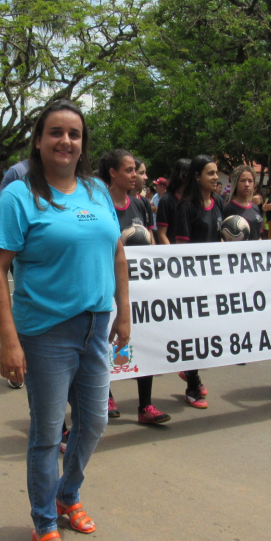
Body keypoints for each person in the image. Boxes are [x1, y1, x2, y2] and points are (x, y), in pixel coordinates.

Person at [0, 99, 128, 541]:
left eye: (75, 133)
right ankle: (44, 523)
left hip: (96, 326)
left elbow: (117, 253)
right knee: (47, 433)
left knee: (95, 422)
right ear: (39, 139)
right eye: (56, 132)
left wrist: (123, 313)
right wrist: (9, 340)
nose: (66, 141)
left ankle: (69, 495)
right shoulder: (19, 196)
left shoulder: (95, 190)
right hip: (46, 332)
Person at [97, 149, 170, 425]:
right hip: (108, 286)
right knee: (108, 342)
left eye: (135, 170)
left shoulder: (139, 204)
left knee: (143, 339)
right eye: (128, 170)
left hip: (138, 288)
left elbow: (150, 243)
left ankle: (145, 406)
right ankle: (106, 394)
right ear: (112, 173)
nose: (135, 175)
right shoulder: (99, 206)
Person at [173, 155, 225, 409]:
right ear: (196, 176)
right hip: (193, 282)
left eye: (216, 173)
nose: (216, 178)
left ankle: (189, 369)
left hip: (213, 280)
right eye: (210, 173)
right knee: (192, 333)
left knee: (206, 333)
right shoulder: (187, 207)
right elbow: (181, 248)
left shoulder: (218, 203)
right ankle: (193, 385)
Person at [154, 159, 190, 245]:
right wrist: (174, 255)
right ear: (182, 175)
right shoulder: (166, 200)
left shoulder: (193, 200)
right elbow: (161, 234)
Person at [225, 165, 263, 241]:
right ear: (236, 183)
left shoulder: (255, 207)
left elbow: (258, 236)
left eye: (250, 181)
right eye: (243, 180)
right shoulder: (229, 208)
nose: (247, 184)